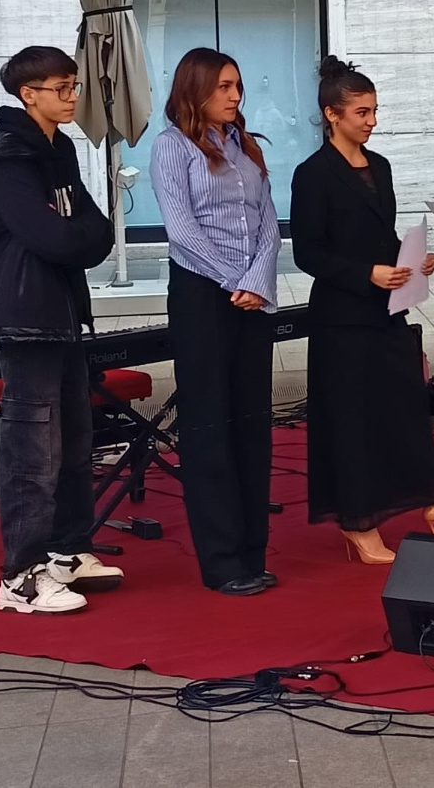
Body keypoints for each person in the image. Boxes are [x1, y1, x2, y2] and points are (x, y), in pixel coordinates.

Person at [290, 57, 434, 564]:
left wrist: (411, 260)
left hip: (388, 310)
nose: (372, 121)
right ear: (332, 114)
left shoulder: (380, 166)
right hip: (342, 318)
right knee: (353, 422)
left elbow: (379, 236)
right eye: (362, 112)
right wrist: (366, 274)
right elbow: (307, 253)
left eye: (375, 110)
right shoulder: (312, 174)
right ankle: (359, 523)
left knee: (406, 409)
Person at [0, 46, 123, 614]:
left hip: (62, 311)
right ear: (28, 94)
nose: (72, 96)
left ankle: (67, 551)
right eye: (62, 87)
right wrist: (74, 235)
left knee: (76, 440)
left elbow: (99, 230)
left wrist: (74, 235)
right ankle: (20, 577)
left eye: (74, 85)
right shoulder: (8, 159)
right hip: (25, 315)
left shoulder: (61, 151)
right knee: (32, 449)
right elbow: (52, 237)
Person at [151, 49, 281, 596]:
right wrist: (235, 281)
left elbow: (269, 222)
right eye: (224, 86)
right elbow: (180, 229)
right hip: (203, 295)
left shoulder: (245, 146)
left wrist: (259, 281)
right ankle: (223, 561)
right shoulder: (171, 147)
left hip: (252, 297)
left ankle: (253, 551)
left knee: (252, 423)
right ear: (196, 88)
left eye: (238, 85)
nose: (235, 95)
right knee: (209, 427)